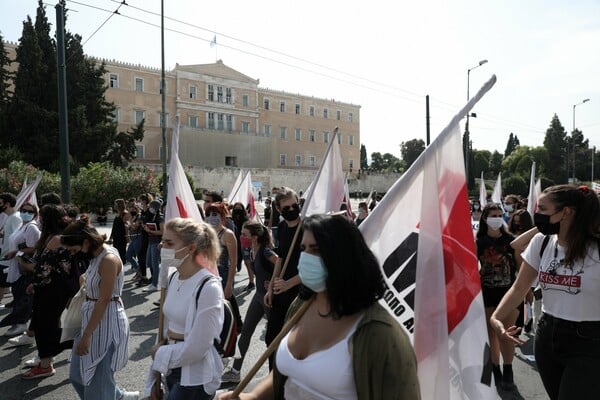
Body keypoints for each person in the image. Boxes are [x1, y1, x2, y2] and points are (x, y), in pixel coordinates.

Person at [218, 214, 421, 399]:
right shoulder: (300, 306)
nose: (306, 258)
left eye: (316, 250)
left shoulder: (379, 334)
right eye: (303, 249)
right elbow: (287, 372)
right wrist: (252, 397)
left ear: (344, 256)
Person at [490, 184, 600, 400]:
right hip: (547, 335)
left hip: (590, 342)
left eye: (542, 209)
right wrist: (496, 318)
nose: (536, 214)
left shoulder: (596, 249)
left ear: (566, 212)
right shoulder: (541, 242)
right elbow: (519, 288)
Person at [144, 217, 224, 400]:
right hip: (171, 367)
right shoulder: (173, 279)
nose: (162, 247)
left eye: (169, 243)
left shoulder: (208, 287)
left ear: (190, 248)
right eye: (163, 241)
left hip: (194, 377)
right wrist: (153, 378)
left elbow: (198, 348)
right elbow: (164, 332)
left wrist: (161, 354)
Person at [60, 220, 139, 399]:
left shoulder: (108, 259)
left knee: (98, 383)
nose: (73, 254)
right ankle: (117, 396)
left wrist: (87, 335)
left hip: (106, 323)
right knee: (78, 376)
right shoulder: (96, 255)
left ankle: (112, 395)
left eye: (74, 249)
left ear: (86, 242)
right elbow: (92, 278)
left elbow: (103, 300)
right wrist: (84, 280)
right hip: (91, 319)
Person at [20, 204, 79, 379]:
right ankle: (46, 361)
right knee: (46, 324)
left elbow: (44, 270)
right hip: (57, 288)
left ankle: (50, 361)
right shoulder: (64, 235)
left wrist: (26, 268)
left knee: (45, 327)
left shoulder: (55, 239)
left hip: (51, 289)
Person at [222, 221, 278, 383]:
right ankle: (235, 371)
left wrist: (274, 282)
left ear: (255, 237)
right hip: (258, 297)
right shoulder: (252, 249)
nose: (241, 237)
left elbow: (280, 262)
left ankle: (278, 373)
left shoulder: (266, 251)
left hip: (268, 298)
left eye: (245, 235)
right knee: (246, 332)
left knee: (275, 337)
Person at [476, 203, 519, 390]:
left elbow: (521, 267)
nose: (497, 217)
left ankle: (508, 368)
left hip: (508, 293)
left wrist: (526, 292)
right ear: (485, 218)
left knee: (507, 332)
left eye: (500, 214)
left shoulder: (510, 240)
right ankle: (495, 367)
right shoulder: (478, 242)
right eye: (493, 214)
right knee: (492, 333)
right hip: (486, 293)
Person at [264, 187, 302, 369]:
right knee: (272, 338)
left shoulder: (308, 228)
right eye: (286, 208)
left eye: (295, 205)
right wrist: (271, 286)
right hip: (281, 290)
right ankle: (273, 381)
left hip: (300, 292)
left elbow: (317, 267)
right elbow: (280, 259)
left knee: (292, 343)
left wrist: (289, 283)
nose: (292, 210)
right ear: (279, 210)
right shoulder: (282, 227)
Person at [205, 202, 243, 328]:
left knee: (228, 300)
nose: (211, 217)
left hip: (224, 274)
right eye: (208, 214)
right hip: (210, 273)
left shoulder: (228, 234)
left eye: (214, 214)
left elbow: (233, 261)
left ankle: (236, 325)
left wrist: (229, 284)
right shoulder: (207, 233)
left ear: (222, 215)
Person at [0, 192, 23, 317]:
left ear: (7, 204)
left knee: (3, 283)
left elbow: (18, 237)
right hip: (6, 257)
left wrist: (13, 254)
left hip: (9, 258)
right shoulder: (11, 217)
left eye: (0, 203)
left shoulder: (15, 217)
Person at [143, 199, 164, 292]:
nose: (150, 208)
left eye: (151, 206)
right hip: (151, 241)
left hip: (156, 242)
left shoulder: (160, 217)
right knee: (149, 263)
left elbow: (162, 231)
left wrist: (150, 231)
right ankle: (156, 281)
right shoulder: (152, 216)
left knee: (155, 264)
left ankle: (155, 284)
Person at [109, 199, 131, 264]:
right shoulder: (117, 214)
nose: (114, 205)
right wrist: (111, 237)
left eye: (115, 204)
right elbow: (114, 227)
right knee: (116, 253)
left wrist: (127, 236)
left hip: (121, 237)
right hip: (116, 237)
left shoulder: (125, 213)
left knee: (121, 253)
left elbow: (126, 226)